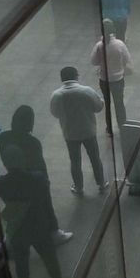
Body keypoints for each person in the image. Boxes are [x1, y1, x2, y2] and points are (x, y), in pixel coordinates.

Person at [0, 146, 72, 278]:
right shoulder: (37, 178)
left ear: (5, 163)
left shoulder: (2, 182)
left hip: (17, 228)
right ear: (22, 159)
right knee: (49, 256)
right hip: (38, 225)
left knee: (21, 260)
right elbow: (45, 202)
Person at [0, 105, 73, 245]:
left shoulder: (4, 137)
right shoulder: (32, 142)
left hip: (13, 176)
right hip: (31, 178)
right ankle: (53, 232)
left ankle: (11, 239)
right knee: (45, 205)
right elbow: (39, 164)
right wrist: (45, 180)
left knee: (15, 208)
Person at [50, 66, 107, 196]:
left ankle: (79, 187)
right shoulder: (86, 91)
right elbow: (98, 107)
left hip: (70, 133)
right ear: (76, 76)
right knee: (95, 158)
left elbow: (55, 113)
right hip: (88, 131)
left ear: (62, 78)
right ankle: (101, 183)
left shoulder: (57, 95)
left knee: (75, 160)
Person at [91, 19, 133, 135]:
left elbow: (93, 61)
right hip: (118, 79)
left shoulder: (99, 45)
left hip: (104, 79)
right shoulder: (119, 44)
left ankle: (109, 128)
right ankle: (122, 126)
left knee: (108, 104)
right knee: (119, 104)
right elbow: (127, 59)